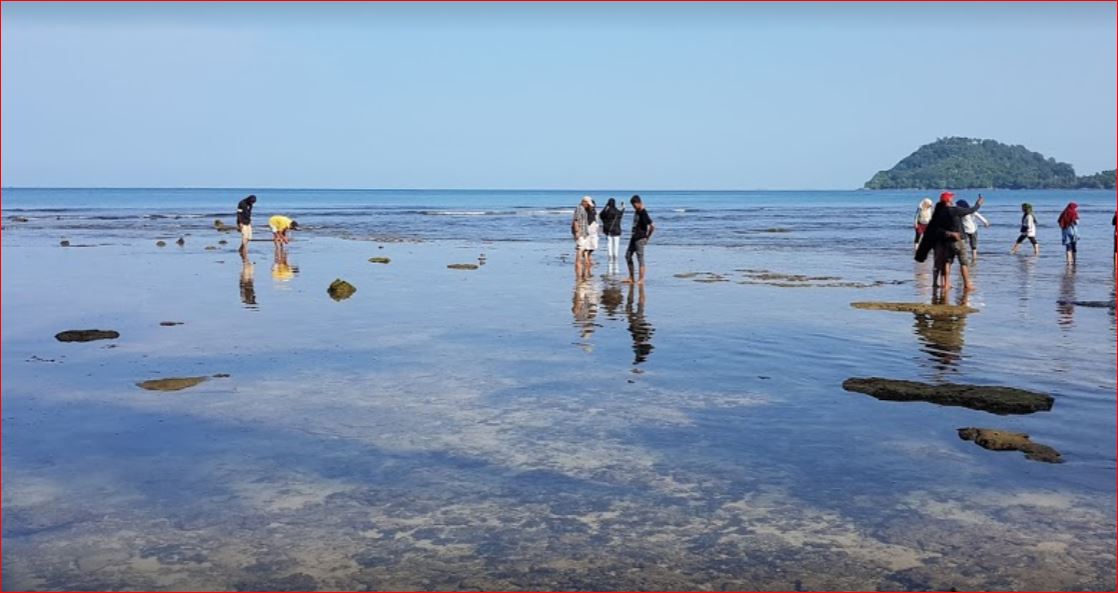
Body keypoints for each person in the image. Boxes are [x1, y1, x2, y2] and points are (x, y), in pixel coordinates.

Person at [623, 195, 654, 285]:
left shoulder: (643, 212)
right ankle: (631, 277)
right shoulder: (637, 211)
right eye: (632, 206)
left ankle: (641, 279)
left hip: (640, 238)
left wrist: (647, 237)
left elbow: (652, 226)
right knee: (627, 255)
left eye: (634, 205)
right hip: (634, 237)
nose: (633, 207)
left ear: (638, 203)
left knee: (640, 259)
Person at [571, 196, 592, 280]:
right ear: (584, 202)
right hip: (580, 234)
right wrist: (577, 232)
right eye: (588, 204)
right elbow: (576, 221)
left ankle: (579, 270)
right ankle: (578, 272)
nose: (589, 206)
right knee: (579, 251)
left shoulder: (583, 209)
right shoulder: (580, 208)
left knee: (582, 250)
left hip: (583, 233)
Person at [599, 198, 626, 263]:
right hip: (617, 230)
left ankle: (610, 258)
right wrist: (623, 207)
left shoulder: (606, 212)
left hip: (608, 231)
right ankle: (615, 258)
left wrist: (606, 206)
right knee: (616, 245)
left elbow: (600, 215)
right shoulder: (617, 211)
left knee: (609, 244)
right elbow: (621, 213)